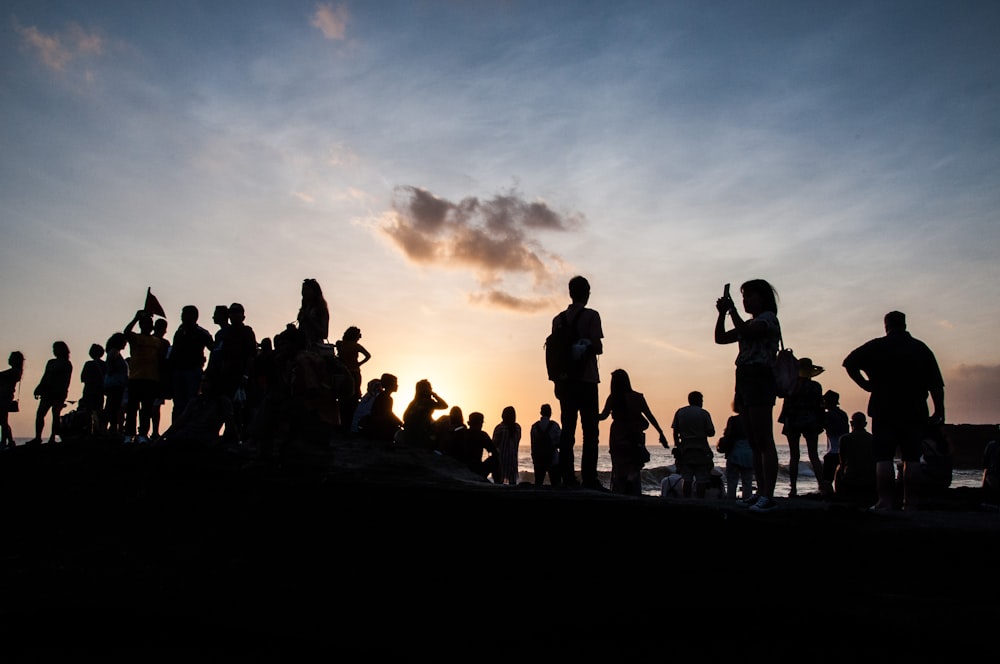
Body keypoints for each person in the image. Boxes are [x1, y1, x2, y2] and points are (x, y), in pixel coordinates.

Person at [843, 310, 945, 511]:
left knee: (883, 457)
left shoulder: (877, 346)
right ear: (905, 325)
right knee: (912, 457)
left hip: (884, 408)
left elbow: (849, 363)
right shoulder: (920, 349)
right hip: (914, 409)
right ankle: (911, 502)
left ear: (886, 326)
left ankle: (885, 501)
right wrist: (940, 410)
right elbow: (936, 385)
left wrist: (864, 384)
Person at [715, 279, 782, 512]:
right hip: (744, 377)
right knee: (754, 441)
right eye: (743, 297)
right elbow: (720, 338)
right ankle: (760, 492)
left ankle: (768, 494)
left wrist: (731, 310)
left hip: (760, 376)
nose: (746, 301)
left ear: (762, 298)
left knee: (764, 438)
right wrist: (722, 314)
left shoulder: (767, 320)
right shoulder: (752, 322)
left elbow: (745, 331)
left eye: (750, 297)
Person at [552, 275, 604, 489]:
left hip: (565, 382)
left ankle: (568, 478)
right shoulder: (592, 316)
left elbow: (555, 352)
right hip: (587, 379)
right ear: (587, 293)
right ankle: (589, 479)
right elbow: (598, 347)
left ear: (570, 293)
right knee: (590, 432)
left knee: (568, 431)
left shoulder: (558, 319)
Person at [598, 369, 667, 496]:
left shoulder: (613, 398)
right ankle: (631, 485)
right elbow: (650, 416)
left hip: (617, 433)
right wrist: (661, 433)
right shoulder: (637, 397)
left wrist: (591, 414)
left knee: (619, 463)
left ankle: (620, 490)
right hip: (635, 433)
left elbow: (603, 416)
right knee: (634, 462)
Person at [776, 357, 828, 497]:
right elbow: (819, 407)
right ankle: (822, 487)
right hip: (811, 421)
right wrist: (821, 423)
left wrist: (784, 421)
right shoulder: (816, 386)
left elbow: (786, 405)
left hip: (792, 421)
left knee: (794, 456)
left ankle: (793, 488)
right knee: (814, 455)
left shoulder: (791, 385)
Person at [123, 311, 169, 444]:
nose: (147, 326)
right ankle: (129, 434)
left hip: (151, 378)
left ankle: (142, 433)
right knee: (132, 408)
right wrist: (136, 318)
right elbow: (126, 332)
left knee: (147, 409)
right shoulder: (135, 338)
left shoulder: (157, 341)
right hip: (135, 377)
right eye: (145, 324)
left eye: (149, 324)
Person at [169, 305, 215, 423]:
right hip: (178, 371)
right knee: (178, 403)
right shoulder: (179, 332)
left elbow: (214, 349)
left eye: (184, 314)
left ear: (193, 316)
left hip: (193, 371)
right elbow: (174, 352)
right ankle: (176, 430)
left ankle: (189, 429)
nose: (182, 317)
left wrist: (207, 368)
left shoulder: (201, 333)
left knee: (191, 402)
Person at [670, 390, 716, 499]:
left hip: (685, 449)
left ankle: (687, 500)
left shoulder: (680, 412)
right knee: (701, 479)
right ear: (699, 400)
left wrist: (678, 446)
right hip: (701, 450)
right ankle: (700, 501)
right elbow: (711, 432)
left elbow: (675, 432)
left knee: (687, 478)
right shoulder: (704, 413)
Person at [28, 341, 73, 445]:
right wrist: (38, 388)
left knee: (55, 415)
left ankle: (52, 437)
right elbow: (45, 376)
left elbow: (66, 381)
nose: (54, 351)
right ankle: (38, 437)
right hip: (47, 392)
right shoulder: (51, 362)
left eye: (55, 349)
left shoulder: (66, 364)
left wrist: (62, 394)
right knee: (40, 414)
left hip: (58, 393)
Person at [833, 412, 877, 508]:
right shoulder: (873, 439)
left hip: (851, 478)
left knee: (838, 467)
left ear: (851, 423)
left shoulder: (845, 439)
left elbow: (842, 461)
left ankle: (839, 495)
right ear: (865, 424)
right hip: (871, 479)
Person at [717, 402, 755, 502]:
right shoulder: (752, 420)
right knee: (747, 481)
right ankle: (746, 500)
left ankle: (731, 501)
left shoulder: (733, 420)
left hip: (734, 452)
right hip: (749, 452)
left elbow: (727, 435)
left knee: (732, 480)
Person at [335, 326, 371, 431]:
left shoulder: (341, 344)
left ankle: (341, 423)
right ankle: (349, 424)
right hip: (354, 373)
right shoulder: (356, 346)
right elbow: (368, 355)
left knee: (343, 397)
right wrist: (359, 363)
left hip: (343, 372)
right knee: (354, 397)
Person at [402, 379, 449, 450]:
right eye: (430, 388)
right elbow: (445, 405)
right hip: (422, 432)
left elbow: (405, 417)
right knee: (446, 420)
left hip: (411, 432)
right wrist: (434, 395)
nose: (431, 389)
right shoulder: (426, 402)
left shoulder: (413, 402)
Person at [360, 373, 402, 444]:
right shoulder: (387, 398)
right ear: (390, 385)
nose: (397, 385)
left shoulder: (382, 396)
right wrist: (399, 422)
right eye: (395, 383)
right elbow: (388, 413)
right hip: (379, 426)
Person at [455, 411, 498, 481]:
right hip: (477, 469)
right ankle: (497, 483)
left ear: (469, 423)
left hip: (462, 467)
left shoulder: (461, 433)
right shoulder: (482, 435)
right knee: (495, 460)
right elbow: (494, 452)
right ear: (480, 424)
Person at [821, 389, 850, 489]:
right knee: (841, 476)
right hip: (844, 450)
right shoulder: (842, 414)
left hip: (833, 451)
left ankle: (828, 493)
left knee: (827, 479)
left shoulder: (829, 415)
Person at [102, 333, 129, 437]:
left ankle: (112, 428)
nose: (125, 344)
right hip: (115, 384)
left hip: (116, 384)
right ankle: (110, 429)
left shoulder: (114, 352)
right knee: (112, 407)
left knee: (113, 407)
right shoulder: (114, 352)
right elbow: (110, 363)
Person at [529, 404, 561, 486]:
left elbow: (533, 444)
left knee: (538, 483)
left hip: (538, 459)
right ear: (550, 413)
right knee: (555, 484)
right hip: (553, 459)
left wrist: (534, 457)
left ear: (541, 412)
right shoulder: (555, 426)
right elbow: (560, 442)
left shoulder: (534, 427)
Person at [79, 343, 107, 435]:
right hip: (100, 391)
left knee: (88, 411)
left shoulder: (88, 364)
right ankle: (99, 431)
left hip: (89, 390)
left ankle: (88, 430)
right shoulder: (104, 365)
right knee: (99, 411)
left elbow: (83, 378)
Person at [0, 351, 25, 449]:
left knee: (3, 421)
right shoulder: (15, 371)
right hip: (4, 397)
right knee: (3, 421)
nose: (9, 359)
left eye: (11, 358)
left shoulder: (14, 371)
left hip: (4, 397)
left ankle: (4, 442)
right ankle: (10, 441)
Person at [151, 317, 171, 438]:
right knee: (155, 407)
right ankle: (154, 431)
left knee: (149, 406)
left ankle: (149, 431)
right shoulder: (164, 343)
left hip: (152, 376)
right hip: (158, 377)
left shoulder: (149, 340)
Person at [492, 405, 522, 485]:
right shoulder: (517, 428)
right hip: (513, 460)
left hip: (501, 461)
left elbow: (493, 445)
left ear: (503, 416)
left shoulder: (500, 428)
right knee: (513, 483)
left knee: (498, 483)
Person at [297, 278, 330, 347]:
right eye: (303, 289)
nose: (303, 292)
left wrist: (309, 319)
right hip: (302, 346)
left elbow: (324, 334)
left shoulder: (321, 309)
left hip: (315, 348)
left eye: (307, 289)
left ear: (314, 292)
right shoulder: (304, 309)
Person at [981, 439, 1000, 510]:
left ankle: (986, 499)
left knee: (987, 472)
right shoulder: (992, 445)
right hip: (995, 479)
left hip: (994, 479)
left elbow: (985, 465)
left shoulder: (991, 445)